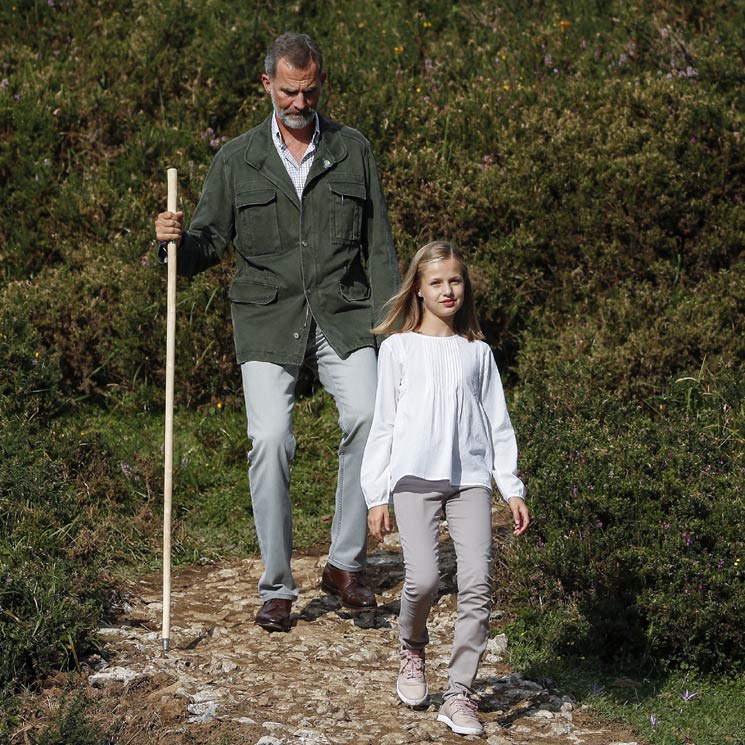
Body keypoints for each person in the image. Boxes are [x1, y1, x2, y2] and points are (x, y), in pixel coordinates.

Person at [154, 32, 400, 633]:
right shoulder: (236, 160)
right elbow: (207, 243)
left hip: (343, 312)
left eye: (309, 90)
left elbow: (380, 246)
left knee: (369, 416)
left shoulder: (353, 149)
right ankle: (277, 584)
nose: (298, 102)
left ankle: (345, 565)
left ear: (321, 84)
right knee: (270, 440)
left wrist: (398, 331)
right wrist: (172, 245)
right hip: (266, 317)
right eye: (288, 90)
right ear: (266, 85)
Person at [361, 240, 529, 737]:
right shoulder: (397, 348)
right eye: (436, 282)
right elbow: (384, 426)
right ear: (418, 289)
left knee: (478, 584)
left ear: (465, 286)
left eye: (455, 280)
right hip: (413, 480)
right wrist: (377, 495)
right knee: (425, 581)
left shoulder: (478, 353)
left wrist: (511, 486)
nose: (447, 289)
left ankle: (459, 693)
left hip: (470, 481)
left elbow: (498, 424)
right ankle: (412, 649)